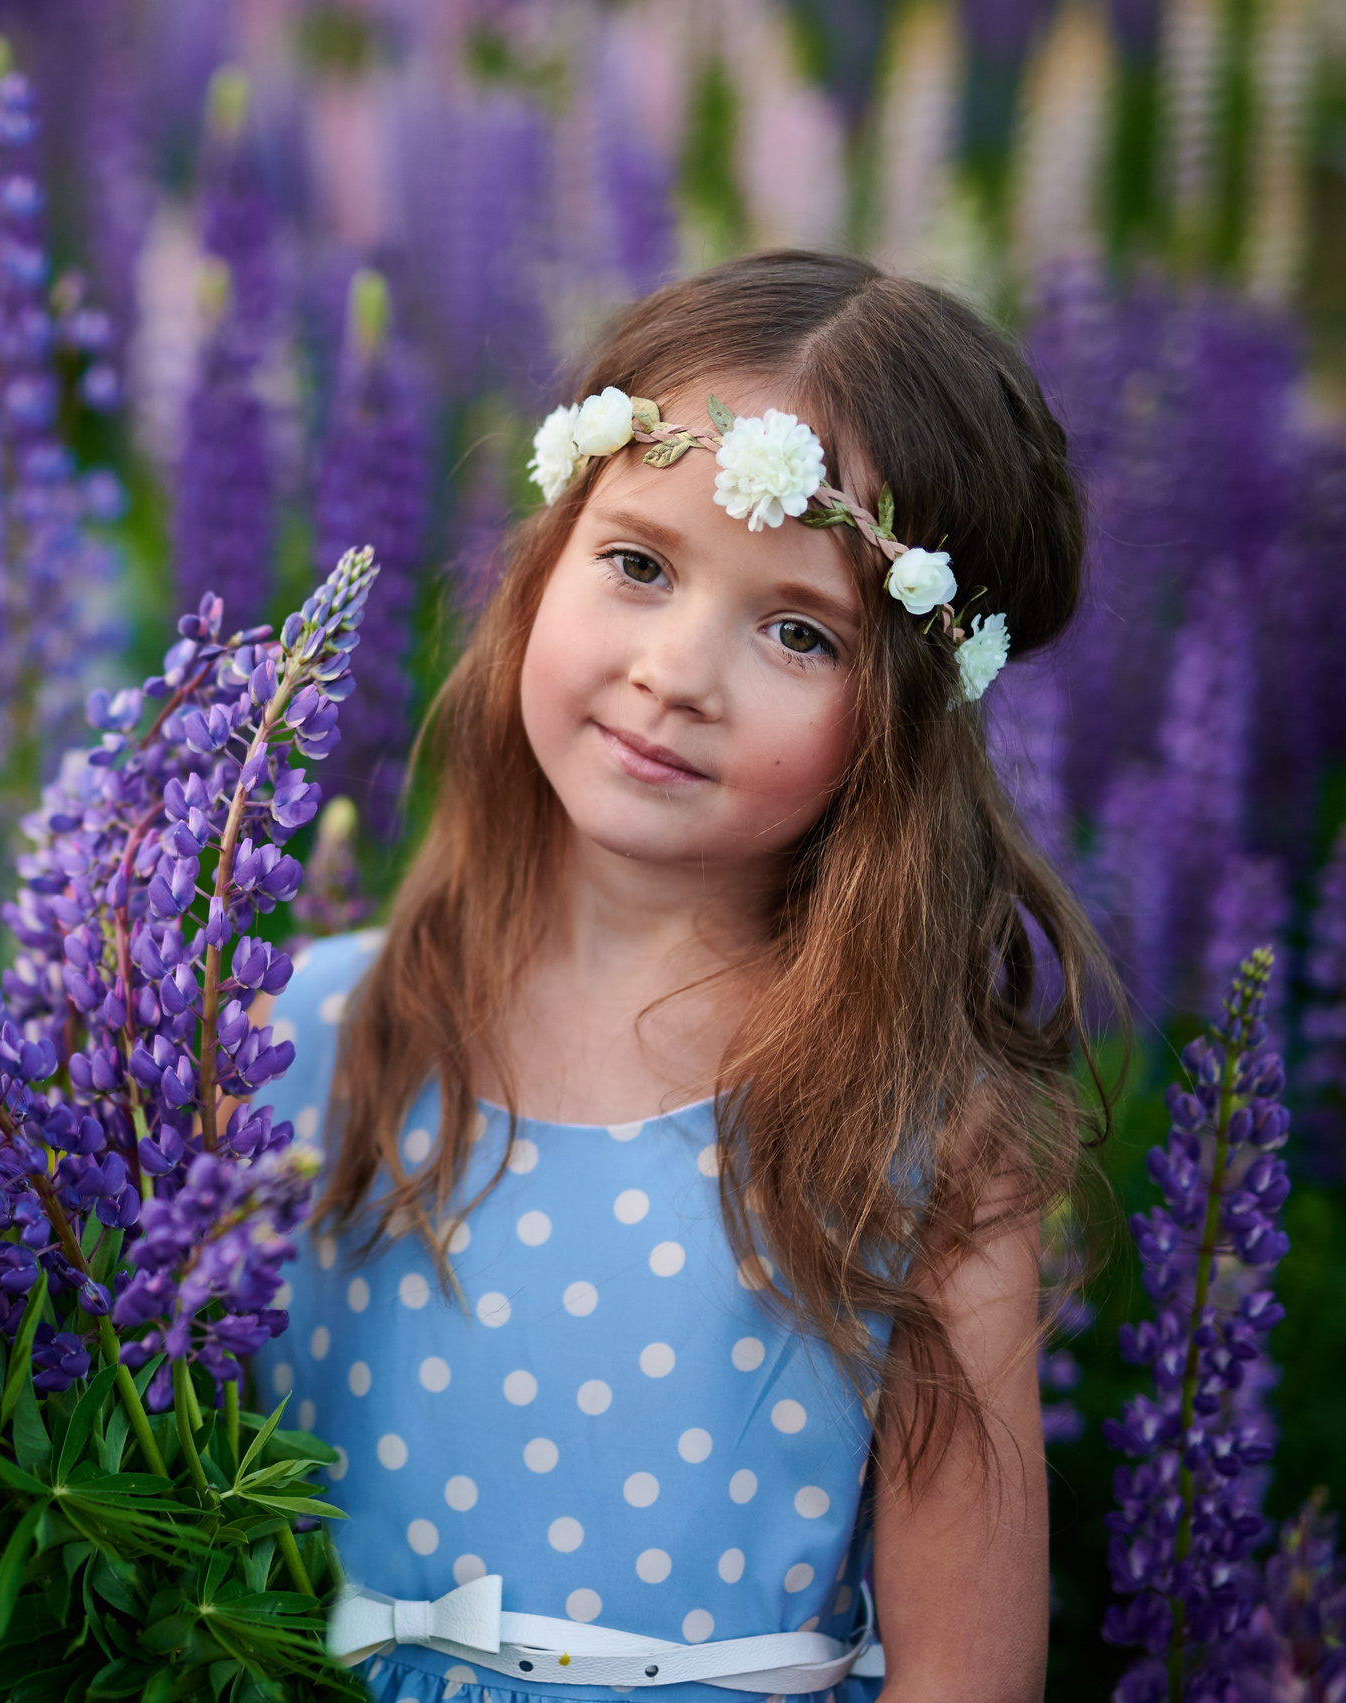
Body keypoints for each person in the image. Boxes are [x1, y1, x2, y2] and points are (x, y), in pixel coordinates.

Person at [253, 249, 1111, 1703]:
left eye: (798, 632)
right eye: (639, 565)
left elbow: (967, 1675)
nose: (675, 670)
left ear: (901, 724)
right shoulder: (304, 1032)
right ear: (543, 561)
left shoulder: (918, 1138)